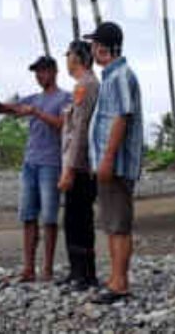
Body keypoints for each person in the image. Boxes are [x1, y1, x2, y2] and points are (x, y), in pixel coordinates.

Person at [0, 55, 70, 282]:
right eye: (36, 73)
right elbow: (5, 109)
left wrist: (36, 113)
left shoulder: (65, 98)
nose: (39, 76)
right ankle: (29, 268)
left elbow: (64, 125)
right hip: (30, 163)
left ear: (54, 71)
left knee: (49, 217)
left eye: (43, 71)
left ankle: (47, 268)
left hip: (52, 163)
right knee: (28, 216)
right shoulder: (33, 98)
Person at [84, 21, 143, 305]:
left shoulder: (120, 76)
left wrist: (107, 158)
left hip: (116, 164)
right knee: (111, 222)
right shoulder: (112, 77)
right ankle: (115, 279)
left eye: (94, 45)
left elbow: (122, 117)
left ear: (102, 48)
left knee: (118, 223)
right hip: (111, 164)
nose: (92, 50)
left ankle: (120, 283)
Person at [56, 40, 100, 291]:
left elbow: (80, 130)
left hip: (81, 166)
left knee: (78, 219)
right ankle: (77, 272)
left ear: (77, 58)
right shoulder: (85, 85)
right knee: (74, 219)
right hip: (80, 164)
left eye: (69, 55)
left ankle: (84, 274)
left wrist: (69, 169)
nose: (67, 60)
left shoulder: (86, 85)